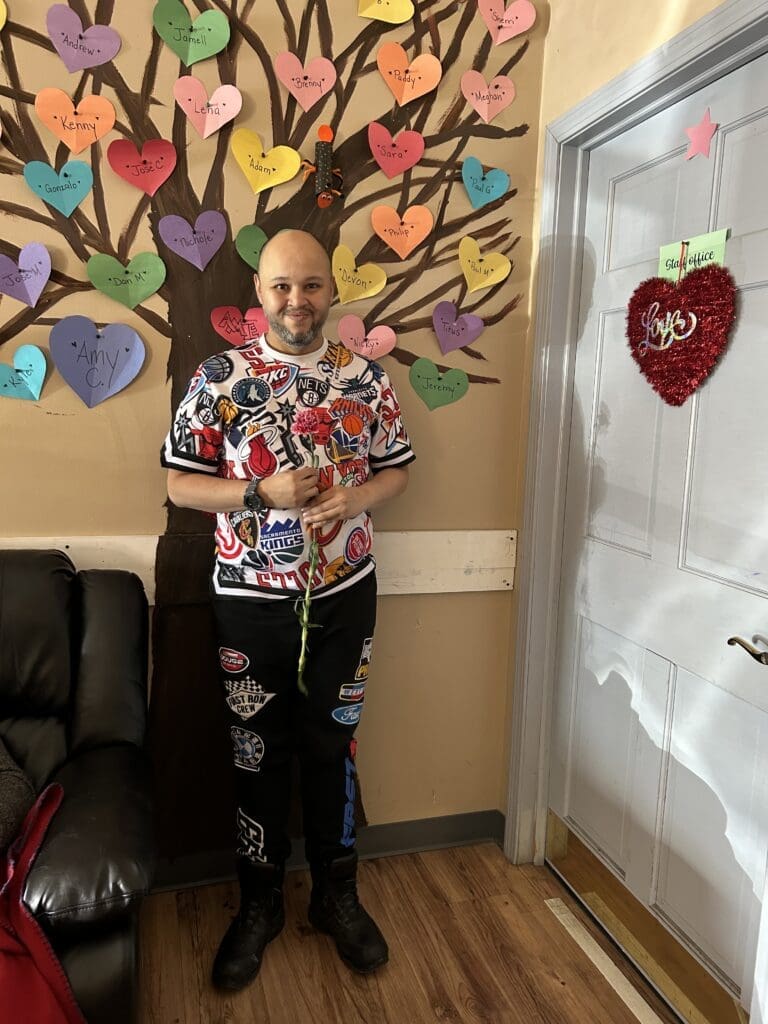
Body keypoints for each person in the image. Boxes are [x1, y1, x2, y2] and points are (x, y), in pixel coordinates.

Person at [161, 229, 415, 991]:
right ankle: (259, 903)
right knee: (256, 752)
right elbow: (179, 484)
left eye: (310, 285)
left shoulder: (365, 378)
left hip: (345, 594)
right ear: (259, 292)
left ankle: (337, 896)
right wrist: (256, 492)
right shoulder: (219, 377)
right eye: (282, 286)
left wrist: (358, 497)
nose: (296, 301)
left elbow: (397, 472)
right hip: (249, 602)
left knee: (334, 747)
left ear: (331, 290)